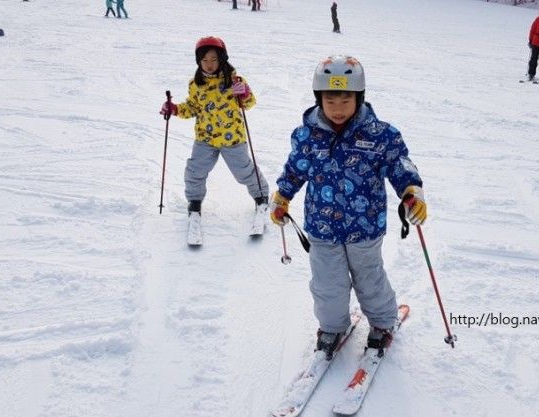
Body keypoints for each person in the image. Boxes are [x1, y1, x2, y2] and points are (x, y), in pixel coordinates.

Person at [269, 56, 427, 358]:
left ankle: (382, 322)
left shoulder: (380, 135)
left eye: (346, 99)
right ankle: (331, 326)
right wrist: (282, 196)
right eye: (330, 100)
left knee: (370, 279)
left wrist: (411, 190)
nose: (338, 108)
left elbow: (399, 163)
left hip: (364, 228)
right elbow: (295, 169)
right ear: (319, 98)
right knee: (327, 284)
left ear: (359, 98)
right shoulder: (306, 136)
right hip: (321, 228)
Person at [160, 36, 269, 227]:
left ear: (222, 59)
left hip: (233, 137)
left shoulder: (234, 80)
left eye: (214, 60)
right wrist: (175, 109)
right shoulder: (195, 84)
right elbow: (193, 107)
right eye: (204, 60)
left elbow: (249, 104)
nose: (209, 65)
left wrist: (245, 93)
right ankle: (194, 201)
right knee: (195, 170)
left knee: (244, 172)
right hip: (205, 138)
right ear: (198, 61)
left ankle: (261, 197)